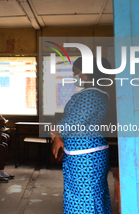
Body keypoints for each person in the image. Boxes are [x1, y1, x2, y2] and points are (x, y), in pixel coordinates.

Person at [51, 57, 112, 214]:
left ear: (86, 74)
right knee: (90, 196)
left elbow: (72, 123)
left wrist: (55, 133)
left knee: (84, 199)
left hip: (86, 157)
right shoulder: (95, 93)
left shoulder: (90, 96)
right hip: (84, 153)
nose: (74, 77)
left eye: (76, 72)